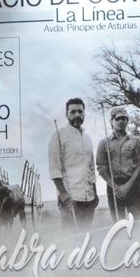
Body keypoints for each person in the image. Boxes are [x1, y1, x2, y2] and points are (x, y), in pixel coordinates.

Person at [49, 97, 98, 227]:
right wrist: (64, 196)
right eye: (73, 112)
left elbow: (91, 169)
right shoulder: (58, 136)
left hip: (89, 198)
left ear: (84, 113)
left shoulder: (87, 139)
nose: (77, 115)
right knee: (72, 240)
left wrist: (96, 194)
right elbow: (55, 169)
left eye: (80, 112)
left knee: (88, 236)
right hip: (70, 199)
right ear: (66, 114)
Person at [95, 107, 140, 221]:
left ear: (127, 121)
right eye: (117, 119)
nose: (121, 121)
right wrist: (115, 187)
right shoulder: (103, 143)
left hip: (133, 186)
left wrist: (127, 186)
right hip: (114, 187)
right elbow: (101, 168)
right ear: (111, 121)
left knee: (139, 222)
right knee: (118, 225)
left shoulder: (136, 141)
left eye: (124, 118)